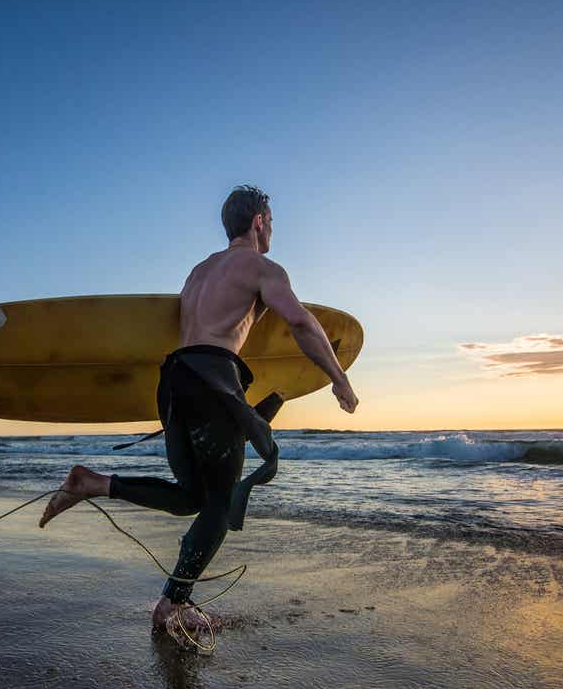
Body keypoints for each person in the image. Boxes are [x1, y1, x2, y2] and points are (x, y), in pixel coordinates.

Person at [38, 185, 358, 634]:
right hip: (213, 380)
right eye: (273, 223)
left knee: (191, 497)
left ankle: (92, 483)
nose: (274, 232)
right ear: (260, 222)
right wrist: (339, 378)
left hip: (174, 381)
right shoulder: (262, 267)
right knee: (219, 506)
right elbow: (301, 322)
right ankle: (173, 605)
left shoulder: (199, 272)